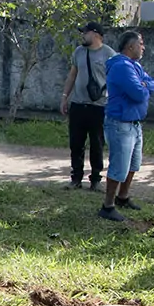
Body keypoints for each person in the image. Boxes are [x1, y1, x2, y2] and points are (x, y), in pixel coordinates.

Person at [99, 31, 154, 222]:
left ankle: (122, 197)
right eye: (141, 43)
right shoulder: (122, 67)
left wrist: (145, 85)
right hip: (120, 124)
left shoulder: (135, 66)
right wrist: (144, 86)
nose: (143, 47)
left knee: (133, 164)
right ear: (130, 47)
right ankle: (107, 206)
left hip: (134, 123)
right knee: (119, 167)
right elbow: (138, 94)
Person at [60, 22, 116, 191]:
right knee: (76, 143)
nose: (82, 35)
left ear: (96, 34)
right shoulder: (79, 52)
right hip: (78, 105)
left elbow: (115, 80)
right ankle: (76, 178)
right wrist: (64, 98)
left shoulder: (109, 54)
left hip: (99, 107)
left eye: (85, 32)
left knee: (97, 144)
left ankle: (96, 180)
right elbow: (72, 76)